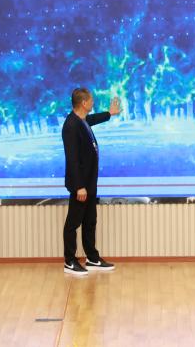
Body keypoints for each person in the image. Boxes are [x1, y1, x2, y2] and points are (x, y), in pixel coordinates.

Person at [62, 87, 121, 276]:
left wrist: (109, 114)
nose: (93, 102)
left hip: (89, 182)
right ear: (84, 103)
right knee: (73, 223)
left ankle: (92, 257)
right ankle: (70, 261)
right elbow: (72, 158)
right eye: (91, 100)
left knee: (90, 221)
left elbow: (92, 119)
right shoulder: (71, 125)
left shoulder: (82, 120)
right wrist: (79, 186)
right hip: (81, 185)